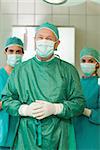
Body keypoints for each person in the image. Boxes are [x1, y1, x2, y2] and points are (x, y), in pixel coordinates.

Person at [1, 22, 85, 150]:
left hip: (59, 135)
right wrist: (24, 109)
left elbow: (79, 103)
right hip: (27, 136)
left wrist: (57, 108)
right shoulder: (21, 70)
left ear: (57, 43)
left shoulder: (68, 70)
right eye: (40, 37)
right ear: (34, 40)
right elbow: (7, 100)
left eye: (49, 39)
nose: (44, 41)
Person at [73, 47, 100, 150]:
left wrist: (86, 111)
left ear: (97, 64)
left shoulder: (99, 83)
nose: (86, 63)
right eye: (83, 61)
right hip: (75, 131)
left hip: (93, 134)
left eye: (91, 61)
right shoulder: (76, 83)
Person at [0, 37, 24, 149]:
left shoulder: (25, 77)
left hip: (22, 132)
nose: (14, 54)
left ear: (23, 53)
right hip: (2, 132)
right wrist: (7, 104)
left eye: (18, 51)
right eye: (11, 51)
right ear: (5, 52)